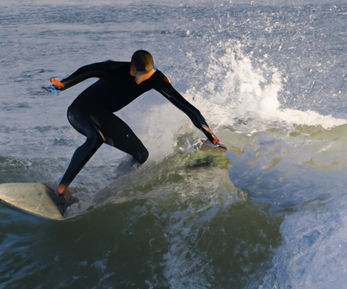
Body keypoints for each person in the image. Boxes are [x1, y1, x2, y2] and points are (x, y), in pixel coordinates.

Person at [50, 50, 220, 198]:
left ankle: (114, 181)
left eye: (145, 75)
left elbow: (187, 107)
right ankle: (62, 186)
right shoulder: (117, 69)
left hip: (102, 115)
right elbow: (89, 70)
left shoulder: (156, 79)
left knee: (141, 155)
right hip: (80, 110)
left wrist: (209, 133)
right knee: (96, 138)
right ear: (132, 69)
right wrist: (64, 84)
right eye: (139, 74)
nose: (142, 80)